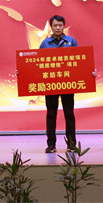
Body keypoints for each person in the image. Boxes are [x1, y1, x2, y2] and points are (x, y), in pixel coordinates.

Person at [40, 14, 78, 153]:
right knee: (51, 115)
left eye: (60, 25)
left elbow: (80, 61)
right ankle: (51, 145)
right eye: (55, 25)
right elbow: (37, 64)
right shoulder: (45, 44)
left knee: (69, 114)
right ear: (51, 27)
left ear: (64, 26)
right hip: (51, 85)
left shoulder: (71, 41)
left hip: (68, 83)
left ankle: (71, 145)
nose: (57, 28)